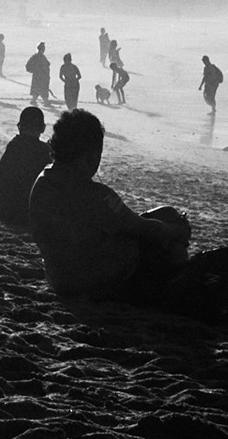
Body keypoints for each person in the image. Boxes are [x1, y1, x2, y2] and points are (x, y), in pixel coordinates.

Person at [28, 109, 191, 302]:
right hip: (93, 279)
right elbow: (141, 227)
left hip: (58, 277)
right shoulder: (94, 194)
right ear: (89, 154)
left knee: (159, 224)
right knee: (168, 220)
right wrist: (176, 230)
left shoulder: (43, 181)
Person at [0, 105, 49, 232]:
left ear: (19, 126)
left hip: (5, 210)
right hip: (28, 214)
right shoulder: (44, 152)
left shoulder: (13, 147)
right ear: (43, 128)